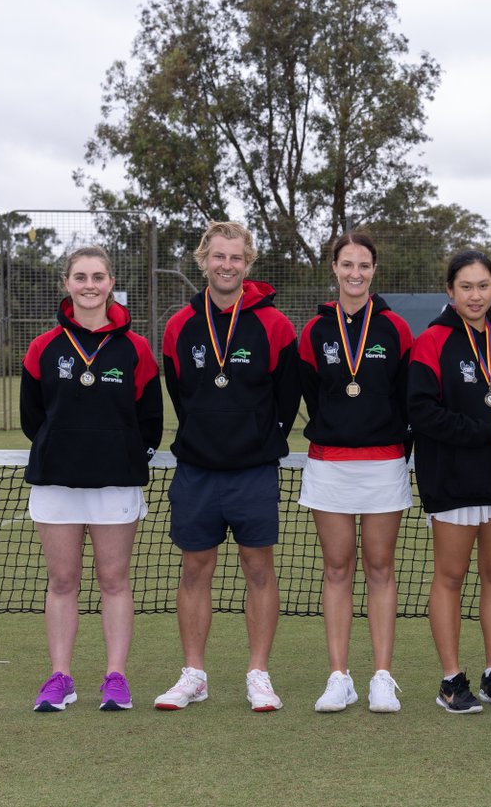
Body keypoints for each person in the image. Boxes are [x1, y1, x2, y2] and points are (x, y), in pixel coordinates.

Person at [155, 221, 300, 712]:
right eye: (218, 257)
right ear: (203, 260)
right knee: (195, 569)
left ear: (248, 262)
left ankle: (258, 674)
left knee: (259, 569)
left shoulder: (274, 324)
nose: (227, 266)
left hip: (254, 469)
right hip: (196, 470)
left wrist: (260, 438)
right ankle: (194, 674)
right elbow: (179, 391)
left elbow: (287, 396)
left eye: (236, 258)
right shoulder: (179, 326)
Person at [21, 246, 163, 712]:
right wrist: (61, 447)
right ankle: (60, 677)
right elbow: (32, 417)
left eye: (98, 276)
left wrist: (122, 456)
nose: (89, 284)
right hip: (57, 483)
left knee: (114, 579)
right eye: (80, 276)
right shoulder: (44, 347)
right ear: (67, 284)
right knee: (62, 580)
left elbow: (150, 420)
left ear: (110, 283)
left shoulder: (136, 348)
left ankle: (115, 678)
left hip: (115, 484)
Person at [408, 250, 491, 714]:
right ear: (450, 292)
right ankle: (451, 680)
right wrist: (488, 433)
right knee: (451, 576)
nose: (475, 295)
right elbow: (421, 413)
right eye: (466, 286)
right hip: (452, 478)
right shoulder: (432, 341)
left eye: (483, 286)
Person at [298, 230, 413, 713]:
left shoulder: (395, 329)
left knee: (381, 569)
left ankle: (381, 677)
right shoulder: (314, 331)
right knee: (337, 569)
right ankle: (339, 676)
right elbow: (308, 393)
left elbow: (406, 396)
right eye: (347, 264)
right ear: (334, 268)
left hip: (384, 465)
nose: (355, 273)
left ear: (373, 271)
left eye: (363, 265)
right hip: (329, 466)